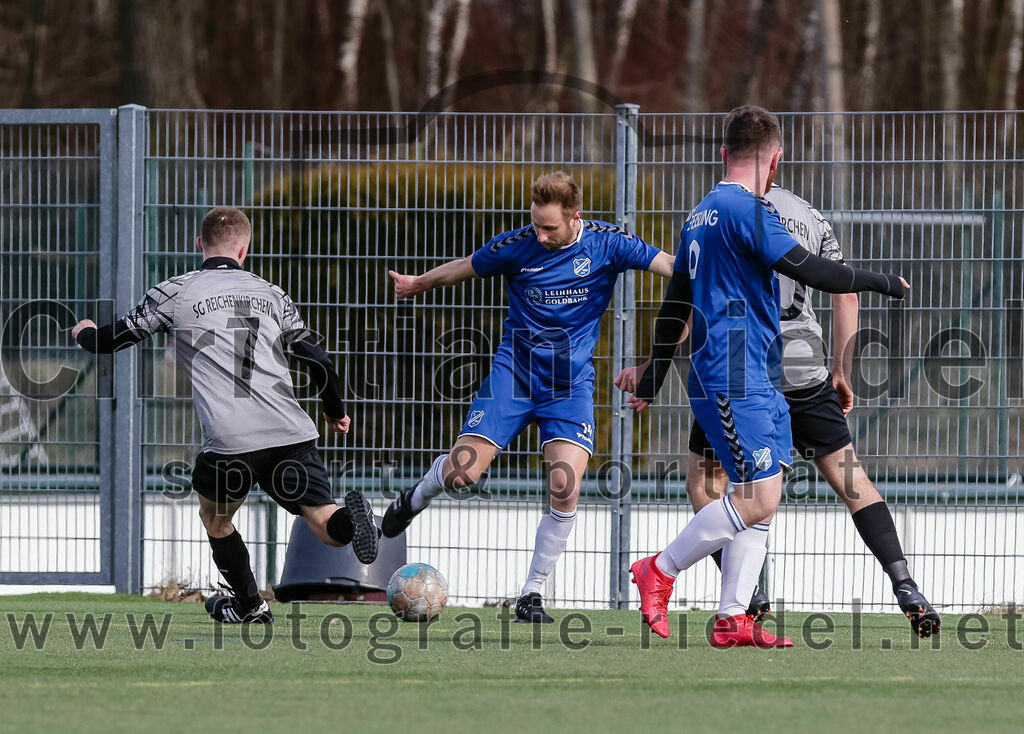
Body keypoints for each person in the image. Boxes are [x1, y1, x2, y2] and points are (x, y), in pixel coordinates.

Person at [622, 106, 909, 647]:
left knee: (761, 500)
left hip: (760, 375)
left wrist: (654, 378)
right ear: (776, 159)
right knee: (757, 499)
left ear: (723, 153)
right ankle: (658, 569)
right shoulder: (746, 210)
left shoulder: (700, 213)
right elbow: (811, 268)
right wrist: (881, 282)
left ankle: (733, 618)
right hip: (732, 377)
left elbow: (674, 306)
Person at [380, 171, 676, 623]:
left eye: (548, 227)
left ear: (575, 217)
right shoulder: (517, 245)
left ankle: (531, 593)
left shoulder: (609, 243)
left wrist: (715, 274)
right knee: (461, 474)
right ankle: (414, 498)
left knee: (565, 485)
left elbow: (672, 267)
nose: (539, 234)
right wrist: (418, 283)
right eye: (535, 223)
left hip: (568, 387)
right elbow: (463, 267)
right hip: (514, 376)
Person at [72, 206, 378, 624]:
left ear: (199, 244)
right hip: (290, 432)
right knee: (326, 525)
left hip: (231, 441)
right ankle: (355, 520)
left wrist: (85, 333)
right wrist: (334, 411)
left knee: (216, 520)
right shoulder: (273, 294)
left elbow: (111, 340)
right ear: (244, 249)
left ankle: (251, 606)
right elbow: (319, 360)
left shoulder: (174, 292)